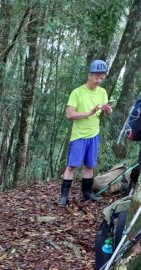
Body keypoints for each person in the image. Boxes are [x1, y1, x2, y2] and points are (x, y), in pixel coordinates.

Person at [58, 60, 113, 207]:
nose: (99, 80)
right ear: (89, 75)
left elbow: (107, 111)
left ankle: (87, 193)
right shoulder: (77, 92)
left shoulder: (102, 92)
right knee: (71, 166)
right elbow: (69, 115)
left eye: (101, 77)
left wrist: (107, 110)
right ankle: (64, 196)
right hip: (79, 136)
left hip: (94, 134)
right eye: (96, 77)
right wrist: (89, 113)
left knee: (89, 166)